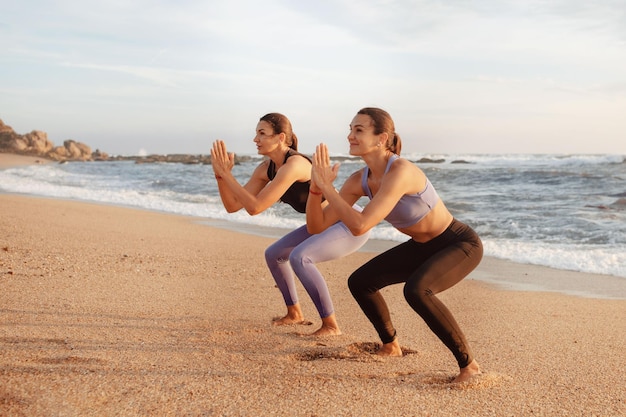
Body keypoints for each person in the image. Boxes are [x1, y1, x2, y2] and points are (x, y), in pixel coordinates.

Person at [306, 107, 483, 382]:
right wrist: (316, 190)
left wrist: (329, 189)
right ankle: (391, 345)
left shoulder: (400, 170)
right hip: (421, 245)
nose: (350, 136)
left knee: (417, 290)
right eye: (350, 129)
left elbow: (361, 225)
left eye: (358, 130)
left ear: (381, 138)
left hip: (458, 243)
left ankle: (469, 366)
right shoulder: (359, 180)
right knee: (361, 281)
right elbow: (316, 226)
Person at [210, 112, 370, 337]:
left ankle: (331, 325)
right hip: (322, 225)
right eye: (256, 133)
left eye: (262, 133)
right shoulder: (266, 168)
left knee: (300, 257)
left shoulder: (295, 164)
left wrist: (228, 176)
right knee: (274, 253)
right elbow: (233, 206)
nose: (255, 139)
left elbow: (256, 207)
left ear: (280, 137)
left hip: (348, 224)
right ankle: (294, 313)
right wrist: (221, 177)